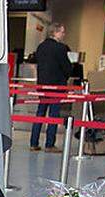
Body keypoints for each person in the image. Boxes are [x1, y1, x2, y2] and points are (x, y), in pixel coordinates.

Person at [29, 22, 74, 153]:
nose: (64, 34)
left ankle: (33, 142)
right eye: (62, 31)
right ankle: (49, 144)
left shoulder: (41, 47)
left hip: (42, 84)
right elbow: (67, 67)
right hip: (56, 86)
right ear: (55, 32)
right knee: (53, 115)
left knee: (40, 113)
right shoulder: (60, 48)